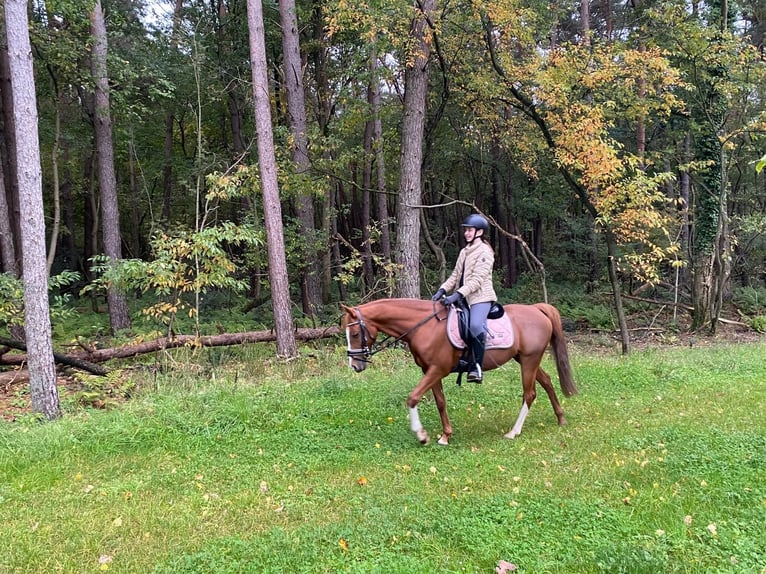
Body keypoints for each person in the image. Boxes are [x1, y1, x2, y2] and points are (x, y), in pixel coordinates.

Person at [431, 214, 497, 382]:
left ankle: (477, 366)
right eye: (466, 230)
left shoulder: (485, 252)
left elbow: (476, 280)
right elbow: (455, 276)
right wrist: (442, 290)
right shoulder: (464, 251)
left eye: (470, 230)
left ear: (480, 232)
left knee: (475, 325)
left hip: (480, 298)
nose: (467, 233)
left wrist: (456, 295)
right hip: (464, 298)